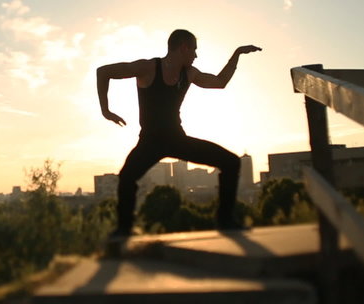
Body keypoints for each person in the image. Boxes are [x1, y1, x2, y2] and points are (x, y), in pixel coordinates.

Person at [96, 29, 261, 236]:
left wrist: (236, 54)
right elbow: (103, 72)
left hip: (177, 140)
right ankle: (123, 230)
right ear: (184, 48)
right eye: (194, 50)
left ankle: (225, 220)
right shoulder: (148, 67)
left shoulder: (189, 74)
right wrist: (105, 110)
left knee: (231, 162)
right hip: (149, 142)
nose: (196, 56)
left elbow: (220, 82)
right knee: (126, 178)